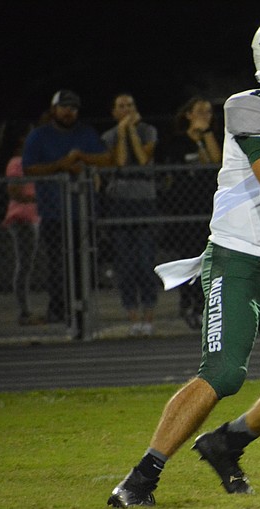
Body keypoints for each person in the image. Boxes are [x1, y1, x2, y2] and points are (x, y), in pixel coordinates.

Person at [108, 10, 260, 508]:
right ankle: (139, 479)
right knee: (223, 373)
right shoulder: (251, 105)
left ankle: (227, 443)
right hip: (237, 261)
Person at [22, 90, 111, 326]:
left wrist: (81, 158)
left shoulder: (85, 133)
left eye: (73, 108)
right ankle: (60, 310)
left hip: (83, 213)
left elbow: (106, 158)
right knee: (58, 264)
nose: (69, 112)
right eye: (64, 107)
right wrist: (61, 166)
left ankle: (81, 311)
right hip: (54, 212)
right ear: (54, 109)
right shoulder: (39, 135)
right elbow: (29, 168)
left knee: (84, 264)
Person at [101, 93, 160, 336]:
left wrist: (131, 130)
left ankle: (148, 315)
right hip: (120, 203)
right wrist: (123, 130)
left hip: (144, 202)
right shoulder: (109, 136)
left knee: (145, 262)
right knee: (125, 263)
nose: (126, 110)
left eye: (130, 106)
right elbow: (122, 161)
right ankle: (133, 316)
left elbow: (144, 158)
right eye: (121, 107)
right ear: (114, 112)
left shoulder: (148, 131)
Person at [163, 96, 222, 330]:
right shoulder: (177, 141)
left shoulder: (212, 138)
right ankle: (187, 303)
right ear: (188, 114)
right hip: (184, 209)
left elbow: (216, 160)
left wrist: (205, 135)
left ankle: (205, 305)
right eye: (200, 111)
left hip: (209, 210)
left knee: (209, 260)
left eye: (208, 111)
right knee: (188, 258)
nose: (205, 115)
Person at [2, 121, 43, 326]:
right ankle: (24, 311)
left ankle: (26, 310)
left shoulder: (30, 160)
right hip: (22, 219)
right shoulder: (17, 162)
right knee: (24, 266)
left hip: (32, 218)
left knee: (27, 265)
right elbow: (15, 191)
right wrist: (38, 199)